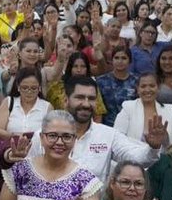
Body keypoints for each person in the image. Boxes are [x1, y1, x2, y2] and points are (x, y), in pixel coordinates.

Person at [29, 76, 163, 182]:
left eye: (91, 99)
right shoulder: (43, 136)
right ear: (66, 101)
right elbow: (27, 172)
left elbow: (137, 158)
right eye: (80, 97)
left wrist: (153, 148)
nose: (86, 104)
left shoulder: (108, 135)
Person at [114, 73, 172, 145]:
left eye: (152, 86)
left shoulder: (169, 109)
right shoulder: (128, 107)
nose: (147, 90)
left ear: (158, 88)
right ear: (138, 89)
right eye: (143, 86)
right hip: (134, 154)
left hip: (162, 155)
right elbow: (117, 137)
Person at [0, 67, 47, 138]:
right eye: (24, 88)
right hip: (11, 146)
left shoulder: (46, 106)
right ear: (18, 87)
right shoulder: (9, 102)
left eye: (33, 88)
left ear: (39, 88)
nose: (29, 91)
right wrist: (13, 136)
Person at [95, 45, 138, 127]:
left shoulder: (137, 81)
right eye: (116, 58)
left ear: (130, 61)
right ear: (112, 60)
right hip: (107, 127)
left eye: (124, 58)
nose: (120, 61)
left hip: (130, 126)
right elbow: (98, 110)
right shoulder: (100, 81)